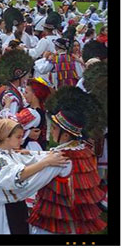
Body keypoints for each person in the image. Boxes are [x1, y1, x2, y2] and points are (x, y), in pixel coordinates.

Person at [0, 119, 71, 234]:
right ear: (6, 137)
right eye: (18, 137)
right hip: (3, 210)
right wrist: (46, 163)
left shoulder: (10, 153)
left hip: (17, 207)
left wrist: (51, 156)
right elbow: (15, 176)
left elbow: (32, 158)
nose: (21, 140)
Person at [29, 87, 107, 235]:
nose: (51, 131)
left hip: (54, 219)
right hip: (73, 218)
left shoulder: (60, 157)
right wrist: (31, 153)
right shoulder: (83, 149)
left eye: (54, 128)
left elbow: (34, 180)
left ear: (65, 135)